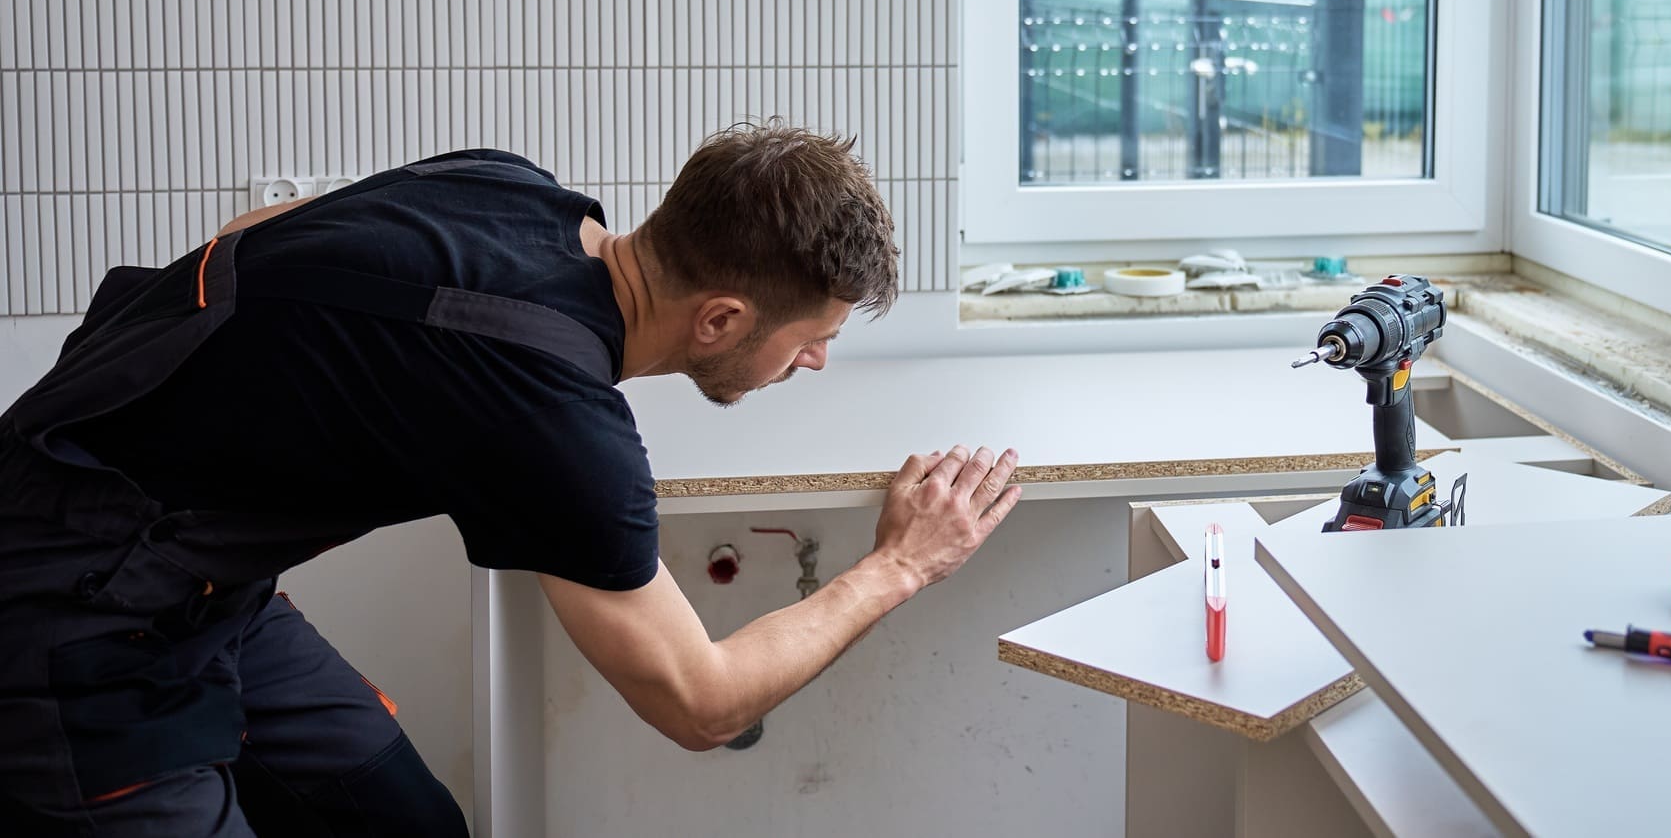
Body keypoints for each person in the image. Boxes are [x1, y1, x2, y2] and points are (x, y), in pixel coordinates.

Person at [0, 123, 1020, 835]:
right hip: (71, 619)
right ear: (719, 319)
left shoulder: (508, 185)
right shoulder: (556, 420)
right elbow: (699, 704)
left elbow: (249, 234)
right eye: (811, 339)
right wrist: (901, 565)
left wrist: (239, 465)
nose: (816, 364)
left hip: (199, 585)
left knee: (398, 821)